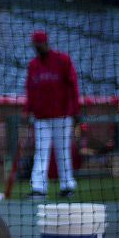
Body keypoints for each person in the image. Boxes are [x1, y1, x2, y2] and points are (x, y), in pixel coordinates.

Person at [24, 30, 80, 199]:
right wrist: (27, 110)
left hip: (62, 115)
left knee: (62, 151)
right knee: (41, 151)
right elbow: (30, 90)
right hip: (41, 117)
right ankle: (39, 188)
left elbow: (73, 86)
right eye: (35, 46)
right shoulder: (33, 65)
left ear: (45, 43)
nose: (36, 48)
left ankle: (67, 185)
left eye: (38, 45)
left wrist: (75, 109)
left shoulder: (62, 60)